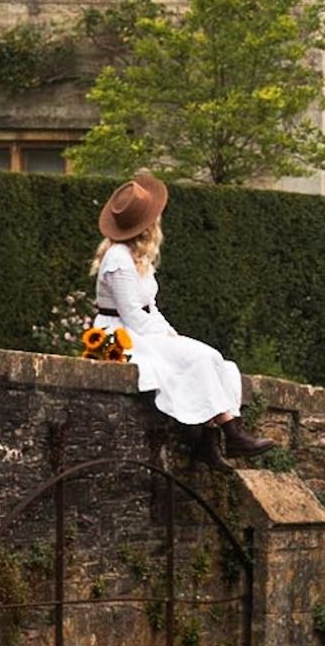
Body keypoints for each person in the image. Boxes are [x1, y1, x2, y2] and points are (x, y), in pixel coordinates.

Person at [92, 172, 275, 466]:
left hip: (140, 329)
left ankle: (210, 440)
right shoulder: (118, 260)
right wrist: (166, 339)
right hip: (116, 337)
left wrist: (170, 332)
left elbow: (149, 307)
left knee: (215, 360)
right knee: (197, 359)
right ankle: (232, 431)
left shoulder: (137, 257)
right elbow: (133, 315)